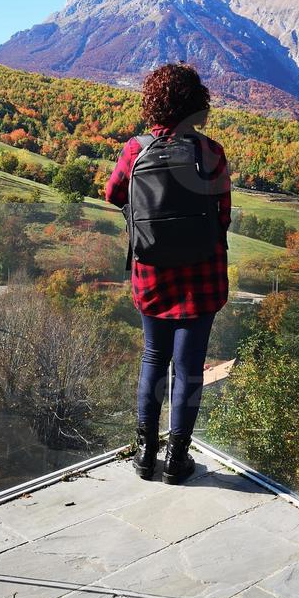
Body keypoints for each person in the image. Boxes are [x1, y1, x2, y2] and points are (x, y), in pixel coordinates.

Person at [105, 63, 231, 484]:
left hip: (152, 270)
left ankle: (144, 455)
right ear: (198, 106)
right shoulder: (210, 152)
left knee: (153, 358)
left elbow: (112, 194)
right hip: (202, 275)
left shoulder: (135, 149)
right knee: (189, 366)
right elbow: (223, 216)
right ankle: (178, 459)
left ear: (154, 104)